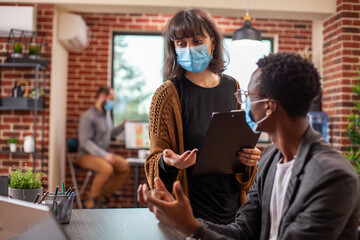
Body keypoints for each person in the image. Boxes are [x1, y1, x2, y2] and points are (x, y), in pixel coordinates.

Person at [139, 52, 360, 239]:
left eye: (248, 96)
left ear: (268, 106)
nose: (243, 103)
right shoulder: (270, 159)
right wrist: (184, 222)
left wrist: (191, 227)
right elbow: (242, 232)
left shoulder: (333, 177)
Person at [145, 8, 261, 224]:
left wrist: (249, 159)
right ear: (174, 48)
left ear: (213, 43)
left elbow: (237, 154)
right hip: (189, 215)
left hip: (233, 213)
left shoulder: (232, 86)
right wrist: (169, 163)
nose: (189, 48)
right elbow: (153, 165)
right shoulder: (167, 94)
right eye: (181, 43)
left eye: (198, 40)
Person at [77, 86, 130, 209]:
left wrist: (121, 126)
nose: (112, 102)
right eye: (111, 98)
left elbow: (109, 134)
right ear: (102, 96)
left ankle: (103, 196)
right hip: (85, 155)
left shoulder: (106, 116)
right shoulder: (87, 117)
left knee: (125, 167)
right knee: (107, 169)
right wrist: (104, 155)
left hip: (102, 154)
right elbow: (85, 142)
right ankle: (92, 200)